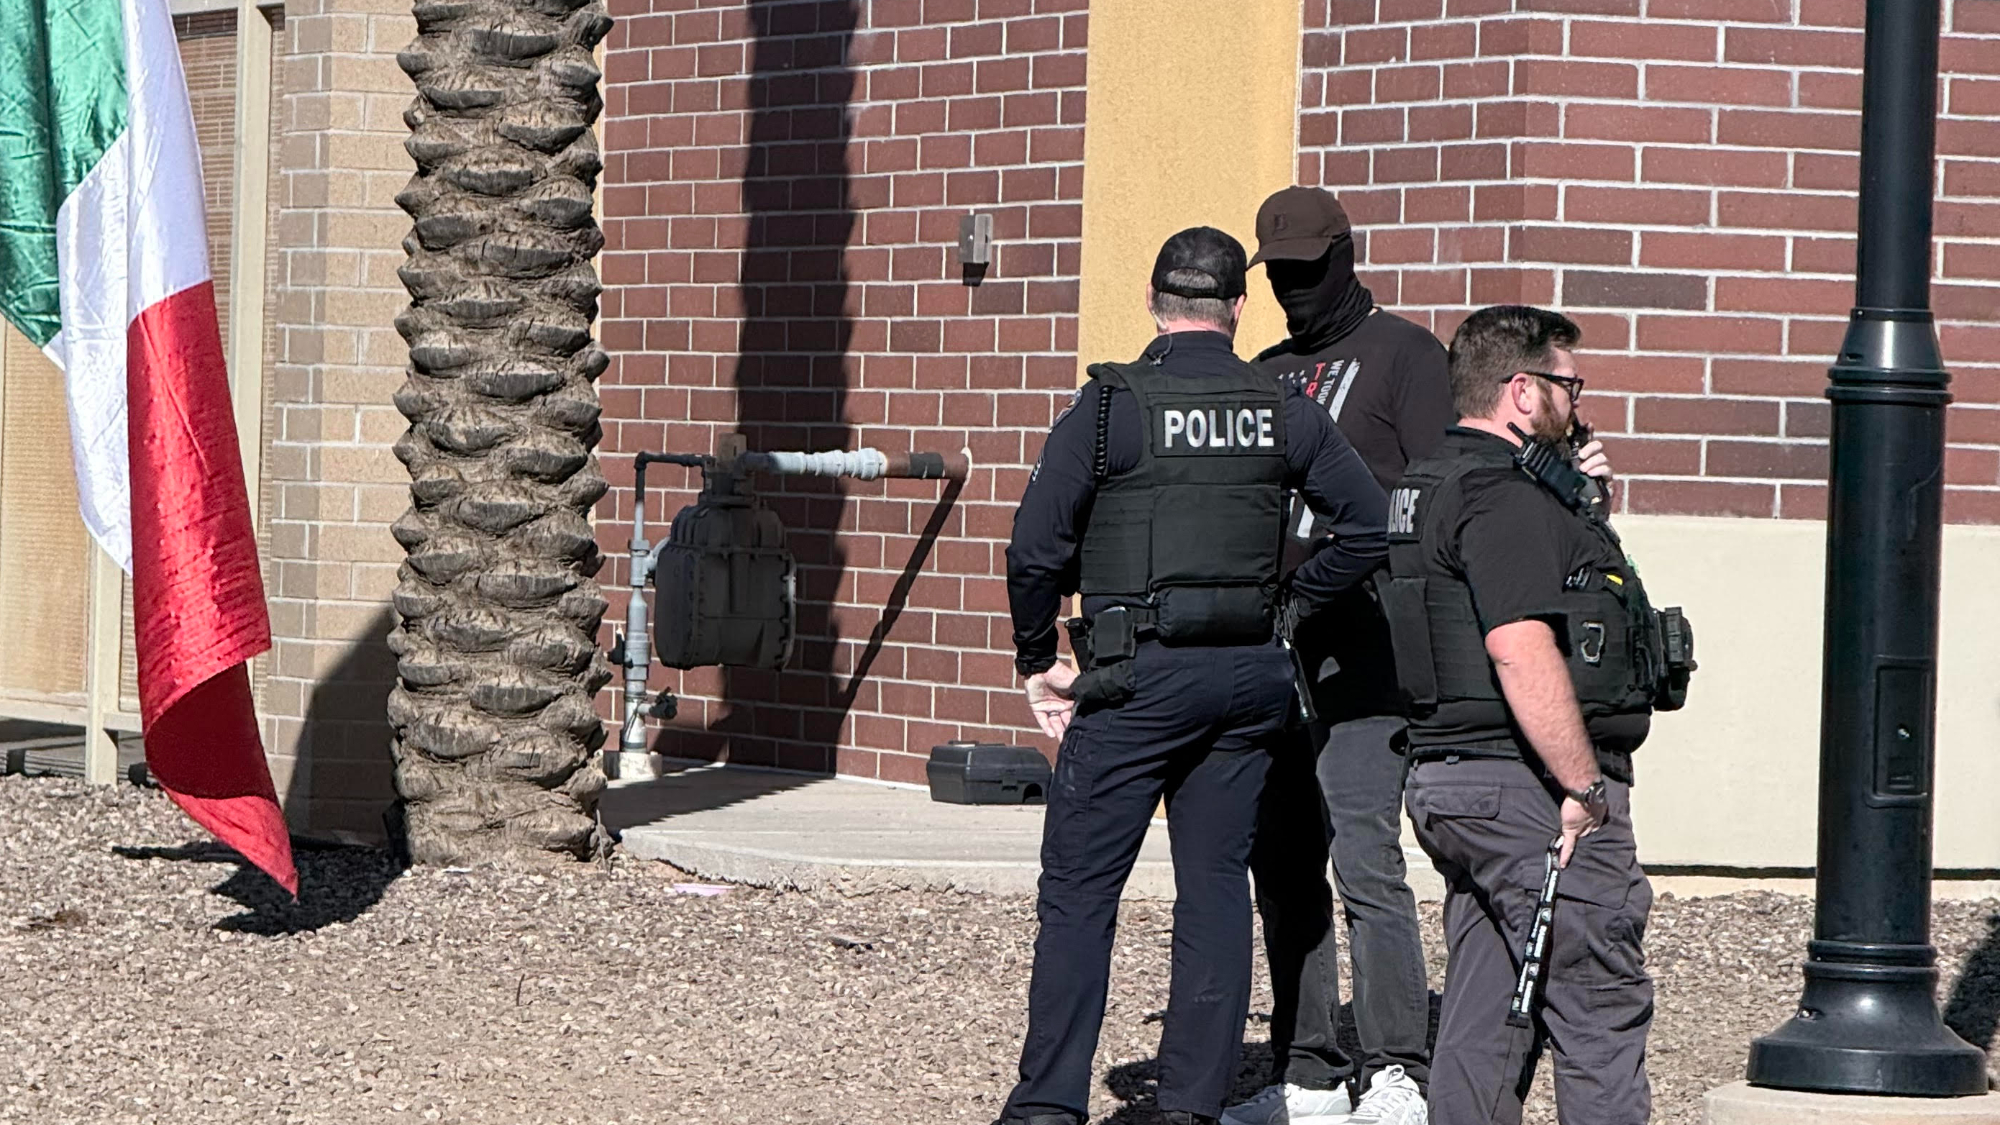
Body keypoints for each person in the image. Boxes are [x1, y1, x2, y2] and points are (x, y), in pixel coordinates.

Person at [998, 227, 1391, 1125]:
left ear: (1152, 301)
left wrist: (1037, 659)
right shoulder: (1281, 404)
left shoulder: (1111, 407)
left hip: (1134, 680)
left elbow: (1034, 548)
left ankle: (1048, 1106)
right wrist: (1289, 600)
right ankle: (1192, 1108)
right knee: (1215, 887)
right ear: (1239, 308)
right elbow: (1368, 525)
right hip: (1249, 681)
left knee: (1081, 894)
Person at [1378, 305, 1689, 1125]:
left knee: (1487, 1014)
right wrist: (1583, 786)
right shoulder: (1501, 498)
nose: (1576, 400)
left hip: (1456, 785)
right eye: (1566, 382)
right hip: (1530, 791)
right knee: (1597, 1008)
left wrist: (1587, 498)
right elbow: (1519, 647)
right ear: (1521, 390)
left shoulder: (1432, 482)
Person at [1226, 185, 1452, 1125]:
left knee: (1365, 852)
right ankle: (1310, 1063)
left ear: (1347, 257)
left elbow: (1438, 496)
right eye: (1277, 273)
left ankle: (1397, 1060)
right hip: (1279, 647)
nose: (1292, 288)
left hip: (1370, 642)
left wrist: (1335, 546)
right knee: (1282, 860)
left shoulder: (1406, 355)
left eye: (1307, 270)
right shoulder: (1268, 368)